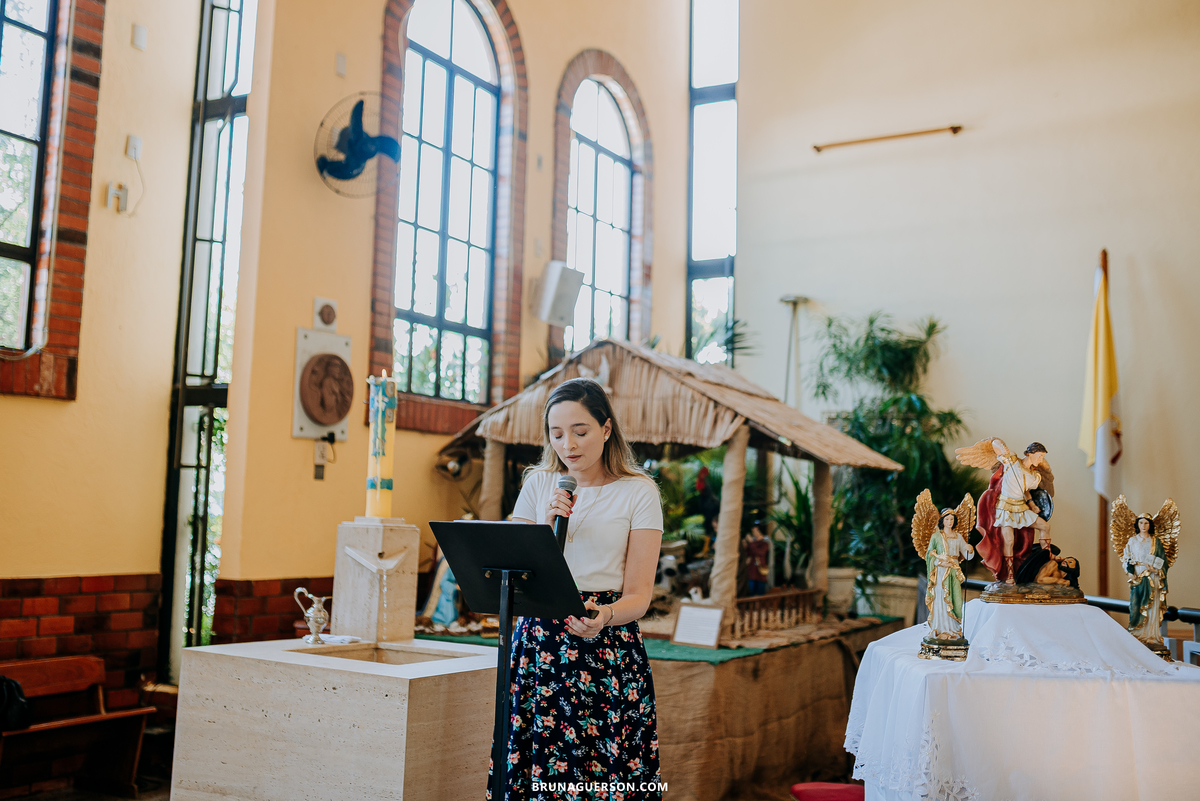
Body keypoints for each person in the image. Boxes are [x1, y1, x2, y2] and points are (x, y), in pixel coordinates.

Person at [488, 377, 664, 800]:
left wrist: (603, 617)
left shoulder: (638, 493)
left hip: (606, 643)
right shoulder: (538, 486)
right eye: (557, 433)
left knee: (601, 772)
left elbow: (640, 595)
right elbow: (513, 574)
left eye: (581, 431)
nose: (569, 444)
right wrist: (547, 523)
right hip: (538, 646)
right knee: (536, 767)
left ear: (606, 429)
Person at [1123, 515, 1169, 644]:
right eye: (1141, 523)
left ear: (1150, 525)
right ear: (1137, 524)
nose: (1143, 526)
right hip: (1137, 575)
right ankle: (1136, 633)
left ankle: (1151, 636)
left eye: (1146, 523)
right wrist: (1129, 572)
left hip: (1152, 575)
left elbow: (1163, 561)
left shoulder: (1155, 541)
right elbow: (1126, 558)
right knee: (1136, 603)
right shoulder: (1132, 540)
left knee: (1152, 604)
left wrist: (1156, 570)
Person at [742, 521, 770, 596]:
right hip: (751, 572)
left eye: (754, 530)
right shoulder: (752, 543)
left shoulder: (765, 543)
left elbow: (760, 553)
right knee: (750, 593)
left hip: (760, 573)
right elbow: (747, 553)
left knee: (760, 594)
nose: (753, 532)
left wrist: (751, 542)